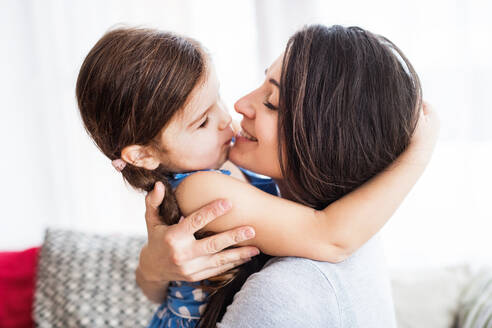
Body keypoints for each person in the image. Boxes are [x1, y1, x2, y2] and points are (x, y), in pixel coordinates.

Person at [136, 24, 439, 327]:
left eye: (271, 102)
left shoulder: (287, 289)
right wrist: (153, 267)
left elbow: (330, 237)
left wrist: (419, 154)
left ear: (325, 141)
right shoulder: (362, 226)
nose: (239, 105)